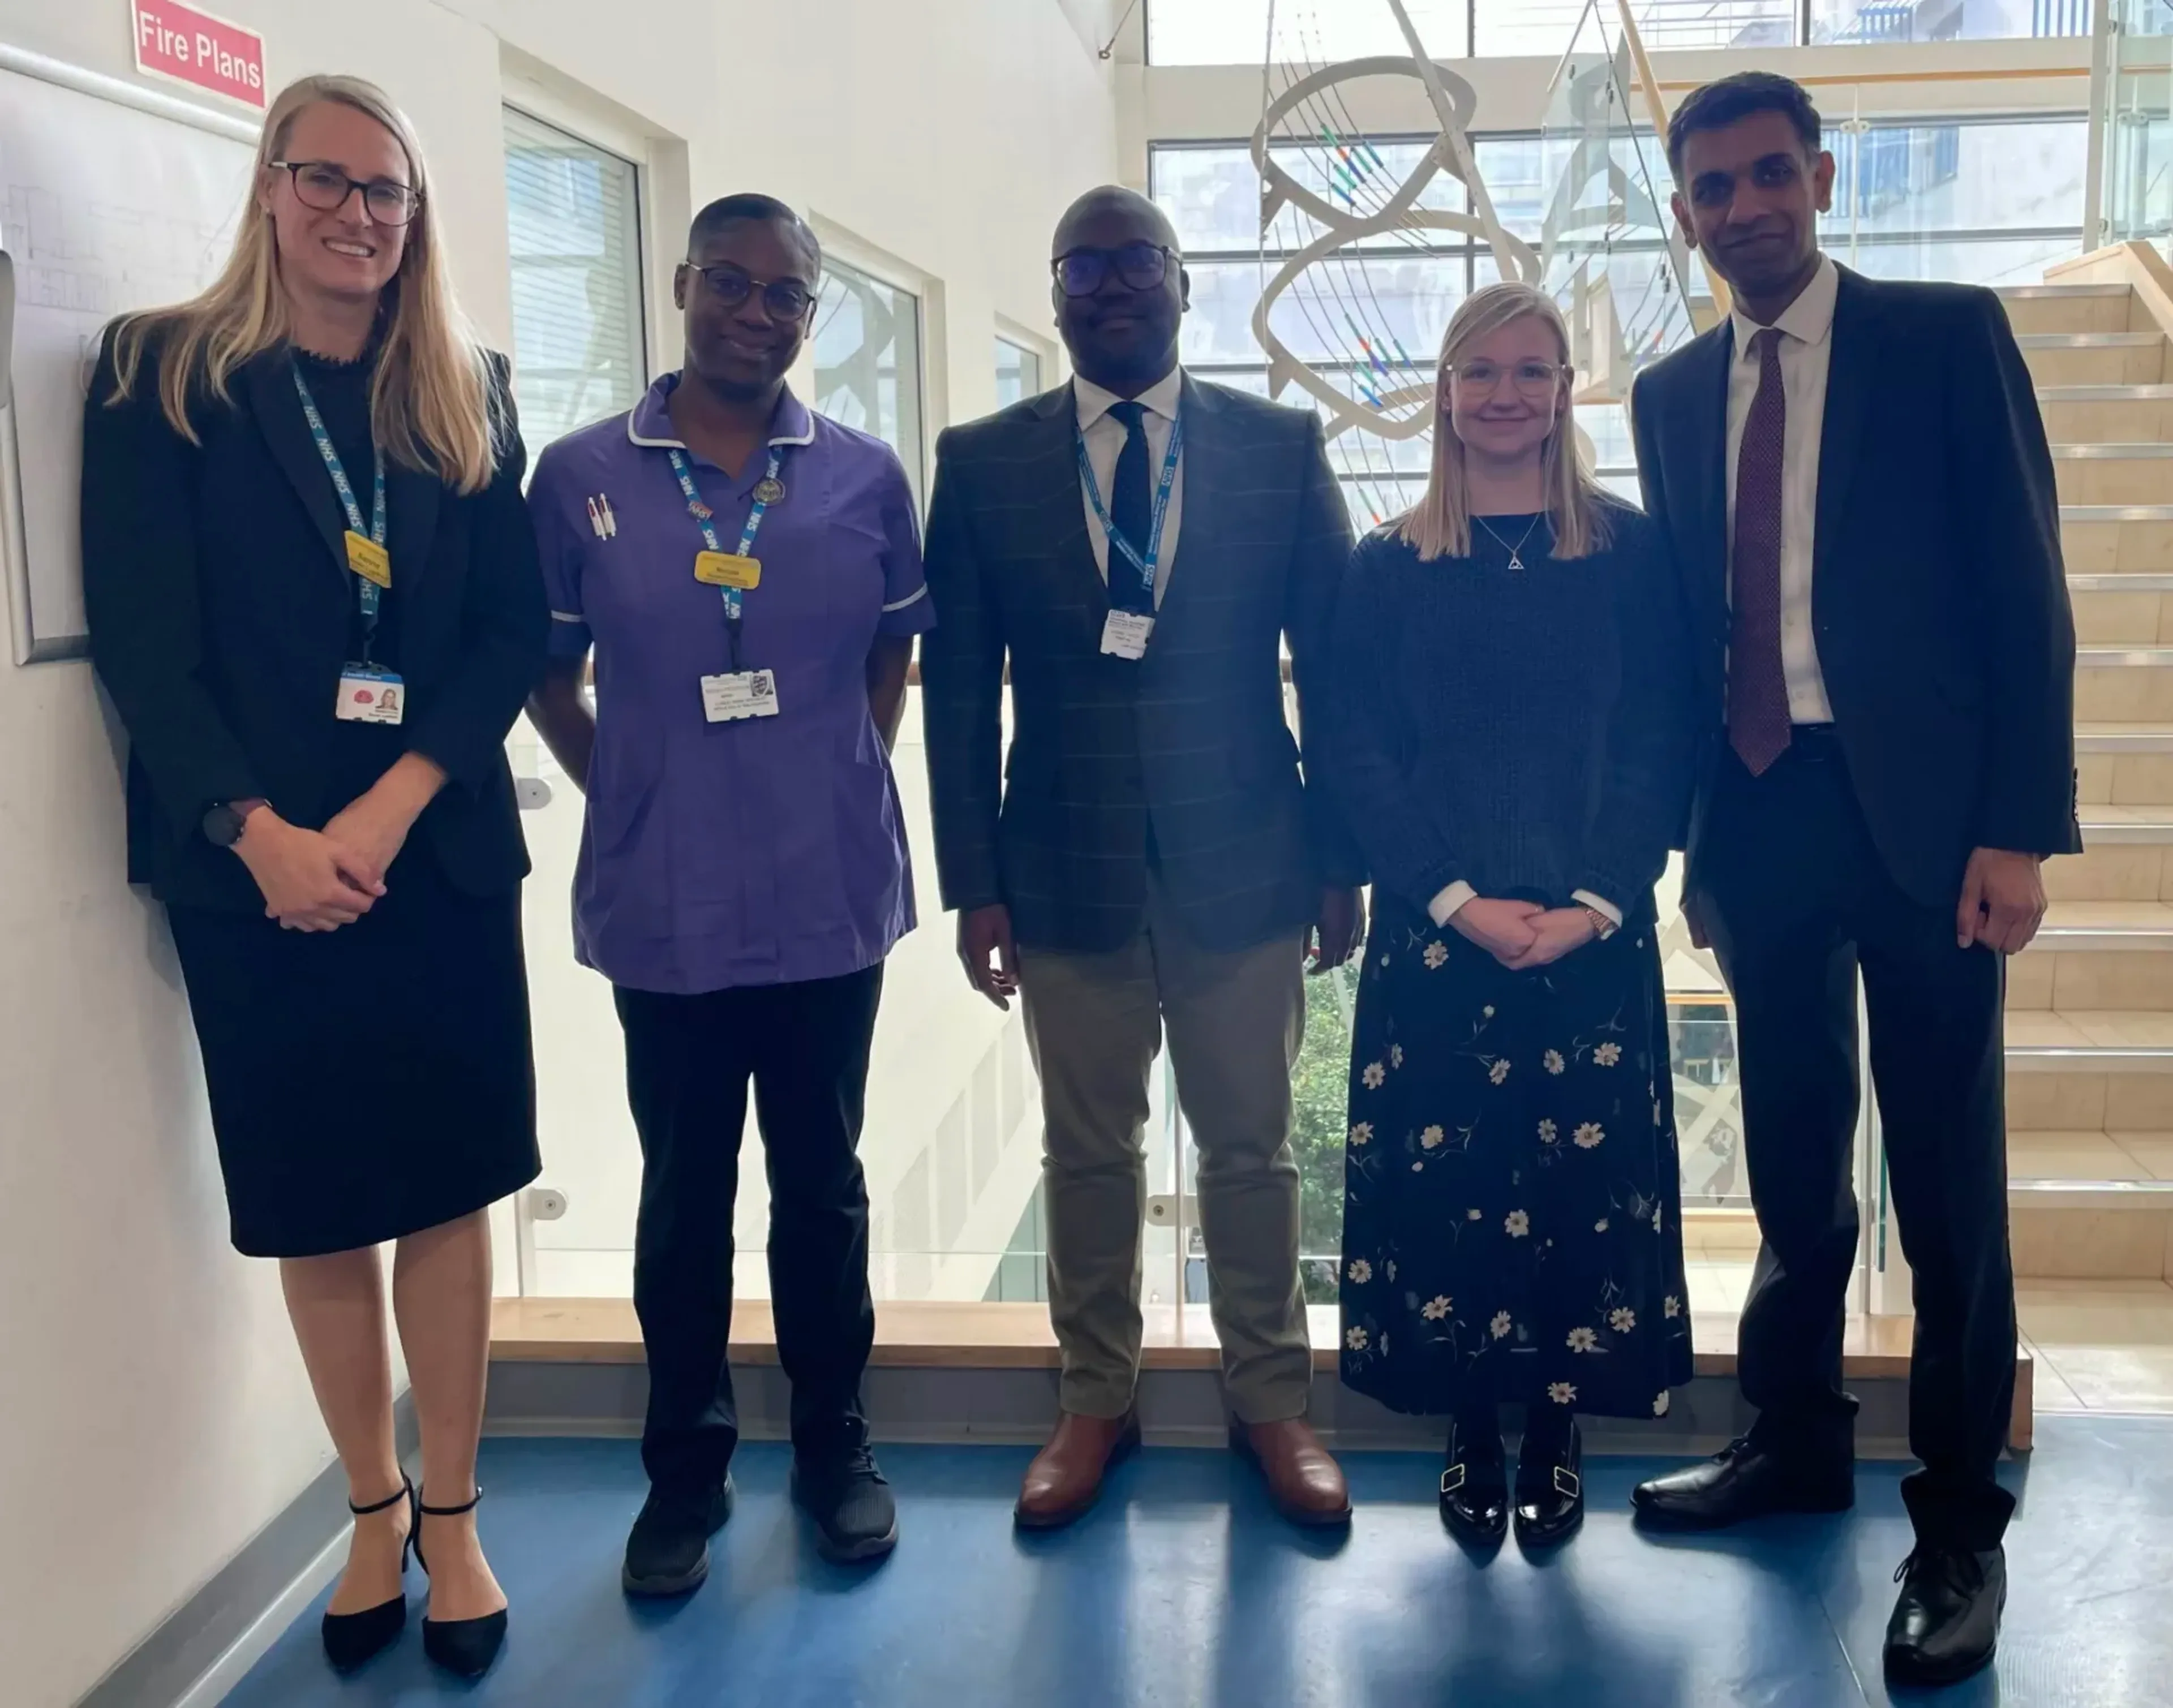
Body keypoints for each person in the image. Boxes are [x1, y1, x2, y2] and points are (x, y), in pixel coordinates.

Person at [80, 75, 547, 1680]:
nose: (362, 216)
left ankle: (459, 1517)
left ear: (417, 217)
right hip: (255, 872)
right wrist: (259, 833)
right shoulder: (162, 377)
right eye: (329, 183)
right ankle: (368, 1508)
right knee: (317, 1200)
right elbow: (143, 638)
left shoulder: (466, 387)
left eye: (390, 193)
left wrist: (397, 805)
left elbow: (510, 634)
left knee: (446, 1188)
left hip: (434, 860)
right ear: (268, 188)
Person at [1627, 72, 2078, 1687]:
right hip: (1757, 813)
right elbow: (1690, 636)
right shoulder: (1671, 392)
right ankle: (1793, 1440)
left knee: (1950, 1178)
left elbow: (2026, 586)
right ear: (1684, 211)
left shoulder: (1944, 338)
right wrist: (1694, 841)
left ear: (1821, 179)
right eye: (1711, 188)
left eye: (1767, 177)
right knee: (1790, 1154)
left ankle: (1959, 1522)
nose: (1742, 208)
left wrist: (2021, 826)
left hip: (1933, 819)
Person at [920, 186, 1364, 1530]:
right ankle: (1093, 1398)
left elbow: (1332, 671)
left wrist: (1341, 861)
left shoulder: (1279, 447)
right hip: (1061, 868)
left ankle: (1271, 1401)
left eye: (1136, 264)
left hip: (1247, 859)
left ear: (1182, 284)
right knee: (1088, 1152)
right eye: (1081, 269)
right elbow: (957, 693)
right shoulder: (983, 458)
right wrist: (974, 882)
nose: (1110, 288)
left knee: (1251, 1146)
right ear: (1055, 296)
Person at [526, 194, 930, 1591]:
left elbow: (894, 657)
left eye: (788, 297)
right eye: (733, 284)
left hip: (830, 900)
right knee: (683, 1194)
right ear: (684, 284)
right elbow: (546, 674)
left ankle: (836, 1451)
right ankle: (682, 1481)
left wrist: (837, 774)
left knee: (822, 1190)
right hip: (668, 907)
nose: (757, 313)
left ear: (813, 319)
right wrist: (627, 788)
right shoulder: (581, 473)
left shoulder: (867, 475)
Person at [1327, 282, 1695, 1551]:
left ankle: (1557, 1429)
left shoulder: (1633, 552)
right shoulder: (1387, 563)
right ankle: (1469, 1425)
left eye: (1532, 371)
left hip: (1595, 932)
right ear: (1443, 389)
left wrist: (1596, 898)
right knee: (1454, 1198)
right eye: (1480, 371)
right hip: (1438, 939)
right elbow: (1357, 750)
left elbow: (1663, 732)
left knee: (1581, 1192)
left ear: (1565, 390)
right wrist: (1455, 900)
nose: (1505, 395)